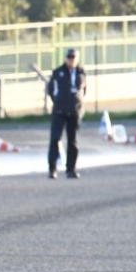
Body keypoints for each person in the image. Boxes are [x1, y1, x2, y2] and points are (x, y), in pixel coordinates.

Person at [46, 48, 87, 179]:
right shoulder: (58, 72)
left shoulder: (81, 73)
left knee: (73, 141)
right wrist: (58, 101)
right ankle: (52, 168)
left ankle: (71, 168)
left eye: (73, 58)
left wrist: (78, 104)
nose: (71, 60)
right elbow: (51, 89)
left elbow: (83, 90)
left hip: (74, 111)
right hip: (59, 110)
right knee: (55, 139)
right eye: (69, 58)